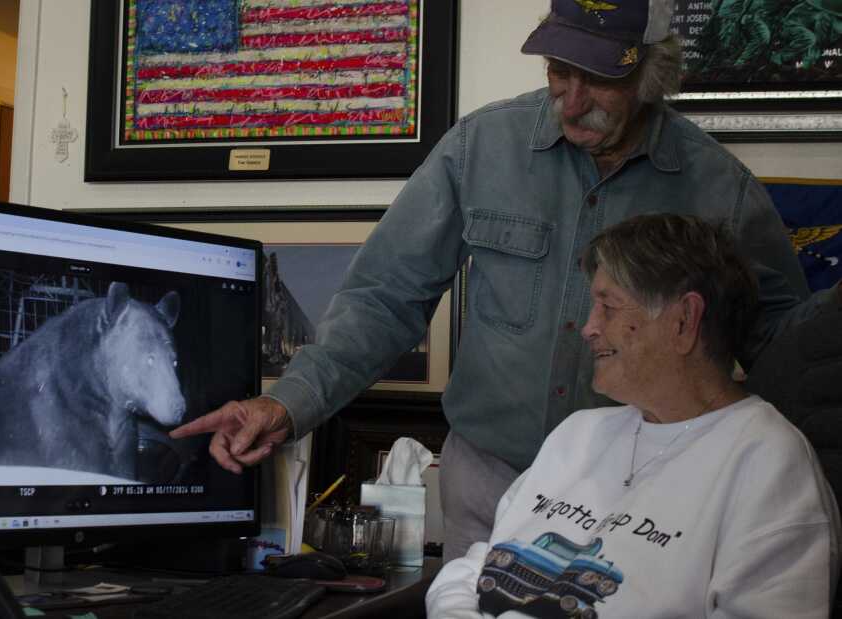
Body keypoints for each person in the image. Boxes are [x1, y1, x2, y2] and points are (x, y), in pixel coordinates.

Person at [170, 0, 842, 562]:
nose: (571, 100)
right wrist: (288, 404)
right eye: (558, 70)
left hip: (643, 495)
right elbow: (384, 297)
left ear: (651, 73)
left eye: (600, 79)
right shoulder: (481, 147)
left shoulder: (719, 187)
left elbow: (784, 349)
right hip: (486, 483)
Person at [425, 213, 841, 618]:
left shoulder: (767, 462)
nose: (587, 328)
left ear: (683, 321)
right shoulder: (580, 432)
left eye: (608, 307)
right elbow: (477, 565)